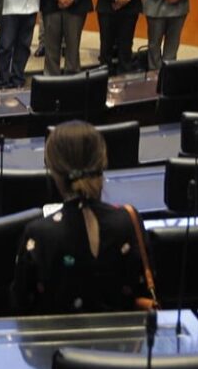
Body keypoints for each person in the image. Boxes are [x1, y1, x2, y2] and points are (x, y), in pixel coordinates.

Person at [12, 121, 155, 314]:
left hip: (58, 343)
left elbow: (21, 306)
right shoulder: (129, 220)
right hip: (125, 342)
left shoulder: (38, 234)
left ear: (53, 169)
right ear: (103, 161)